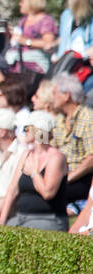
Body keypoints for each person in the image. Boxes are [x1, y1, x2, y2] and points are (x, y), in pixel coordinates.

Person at [0, 111, 68, 230]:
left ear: (38, 130)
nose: (24, 132)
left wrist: (34, 173)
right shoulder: (26, 155)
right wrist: (2, 219)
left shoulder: (56, 158)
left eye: (26, 128)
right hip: (21, 217)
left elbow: (48, 193)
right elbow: (12, 189)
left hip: (48, 219)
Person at [49, 73, 93, 203]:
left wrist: (68, 178)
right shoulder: (60, 120)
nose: (52, 98)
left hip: (81, 178)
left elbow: (91, 159)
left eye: (55, 93)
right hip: (61, 174)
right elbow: (52, 149)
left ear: (66, 95)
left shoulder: (88, 119)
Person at [6, 0, 58, 74]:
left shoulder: (45, 20)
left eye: (22, 1)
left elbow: (48, 43)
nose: (20, 4)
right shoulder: (23, 20)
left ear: (31, 2)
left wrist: (26, 41)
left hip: (34, 67)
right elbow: (18, 40)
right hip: (17, 63)